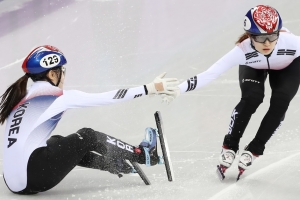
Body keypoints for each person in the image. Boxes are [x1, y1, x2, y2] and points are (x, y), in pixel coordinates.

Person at [0, 45, 179, 194]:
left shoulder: (21, 100)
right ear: (52, 75)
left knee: (58, 141)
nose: (64, 76)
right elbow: (110, 97)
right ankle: (144, 155)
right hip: (36, 175)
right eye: (63, 71)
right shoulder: (57, 96)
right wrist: (151, 88)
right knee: (87, 136)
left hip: (14, 183)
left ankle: (109, 162)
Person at [163, 5, 300, 176]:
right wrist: (179, 89)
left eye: (272, 36)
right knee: (252, 97)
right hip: (253, 66)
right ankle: (230, 145)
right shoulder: (242, 50)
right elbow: (209, 74)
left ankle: (255, 149)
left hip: (287, 67)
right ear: (250, 36)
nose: (267, 43)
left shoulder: (294, 44)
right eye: (260, 37)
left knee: (282, 100)